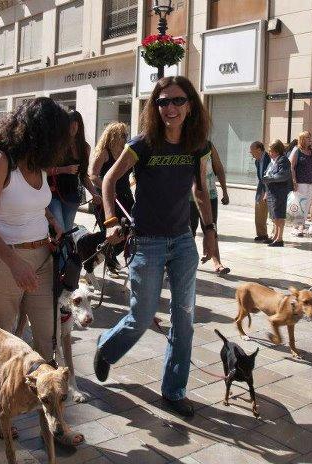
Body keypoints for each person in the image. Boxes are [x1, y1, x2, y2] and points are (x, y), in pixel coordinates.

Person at [93, 76, 220, 418]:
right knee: (142, 315)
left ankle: (174, 390)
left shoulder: (198, 145)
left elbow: (201, 190)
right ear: (155, 107)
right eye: (163, 102)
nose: (170, 108)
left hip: (182, 242)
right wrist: (109, 219)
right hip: (147, 242)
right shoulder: (142, 144)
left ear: (190, 104)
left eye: (178, 100)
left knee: (184, 319)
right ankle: (106, 348)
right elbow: (109, 179)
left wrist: (209, 230)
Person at [0, 97, 84, 447]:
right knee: (2, 348)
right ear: (39, 133)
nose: (63, 148)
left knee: (46, 344)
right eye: (58, 138)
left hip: (41, 260)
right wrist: (15, 260)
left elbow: (35, 207)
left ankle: (54, 424)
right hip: (0, 262)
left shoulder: (37, 165)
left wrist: (51, 227)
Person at [47, 110, 100, 233]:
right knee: (58, 227)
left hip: (72, 195)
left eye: (76, 125)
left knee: (67, 230)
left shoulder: (85, 148)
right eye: (71, 124)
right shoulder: (57, 144)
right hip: (54, 193)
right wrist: (63, 170)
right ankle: (58, 251)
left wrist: (94, 194)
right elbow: (45, 171)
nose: (73, 128)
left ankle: (64, 252)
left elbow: (83, 175)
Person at [188, 142, 230, 275]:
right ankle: (187, 262)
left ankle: (217, 263)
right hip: (187, 197)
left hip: (210, 194)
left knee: (211, 227)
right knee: (189, 230)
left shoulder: (208, 146)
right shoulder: (182, 145)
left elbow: (218, 168)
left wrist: (225, 190)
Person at [89, 122, 132, 229]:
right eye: (123, 135)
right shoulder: (103, 153)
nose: (126, 138)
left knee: (129, 229)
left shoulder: (126, 152)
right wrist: (108, 189)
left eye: (126, 135)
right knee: (111, 231)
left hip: (125, 196)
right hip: (107, 198)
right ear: (114, 136)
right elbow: (93, 175)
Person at [289, 131, 312, 236]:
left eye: (310, 137)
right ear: (302, 139)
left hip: (311, 182)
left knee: (306, 205)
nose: (310, 139)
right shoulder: (297, 150)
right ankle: (295, 227)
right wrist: (294, 181)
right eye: (307, 137)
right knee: (299, 204)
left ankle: (301, 226)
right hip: (300, 182)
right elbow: (292, 167)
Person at [262, 139, 293, 247]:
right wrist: (266, 192)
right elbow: (267, 175)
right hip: (271, 192)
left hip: (279, 192)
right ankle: (275, 236)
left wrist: (269, 179)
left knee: (279, 215)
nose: (269, 153)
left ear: (277, 151)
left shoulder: (283, 160)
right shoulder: (272, 161)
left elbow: (283, 175)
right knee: (274, 215)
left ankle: (279, 239)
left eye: (271, 151)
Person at [250, 141, 271, 241]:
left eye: (252, 151)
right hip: (261, 187)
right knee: (259, 211)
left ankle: (275, 236)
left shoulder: (269, 158)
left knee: (273, 214)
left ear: (259, 150)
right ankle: (262, 234)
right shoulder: (257, 161)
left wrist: (267, 191)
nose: (251, 153)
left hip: (270, 187)